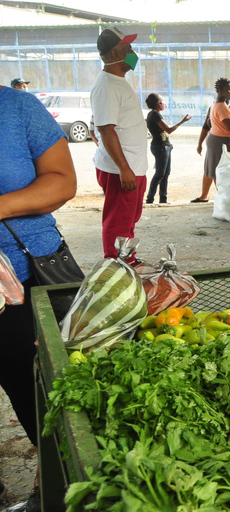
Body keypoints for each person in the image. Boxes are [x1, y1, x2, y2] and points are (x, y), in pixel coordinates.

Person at [0, 85, 77, 447]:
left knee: (40, 395)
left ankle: (51, 482)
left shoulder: (16, 107)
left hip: (26, 276)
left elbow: (62, 182)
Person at [91, 26, 149, 261]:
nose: (134, 53)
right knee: (118, 223)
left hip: (132, 166)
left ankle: (127, 260)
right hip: (121, 169)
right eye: (129, 49)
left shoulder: (117, 82)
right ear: (115, 54)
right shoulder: (106, 85)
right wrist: (124, 168)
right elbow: (106, 130)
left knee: (128, 220)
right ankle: (115, 266)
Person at [195, 77, 230, 203]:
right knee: (220, 170)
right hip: (220, 142)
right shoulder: (221, 107)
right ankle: (224, 199)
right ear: (220, 91)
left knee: (220, 169)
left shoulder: (220, 105)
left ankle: (223, 198)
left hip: (220, 140)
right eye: (227, 90)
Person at [144, 93, 191, 204]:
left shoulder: (153, 114)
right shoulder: (155, 115)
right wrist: (182, 122)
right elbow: (168, 129)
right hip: (161, 147)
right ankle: (150, 198)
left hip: (164, 146)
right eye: (163, 102)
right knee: (160, 174)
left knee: (165, 173)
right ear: (158, 103)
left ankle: (163, 198)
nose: (164, 104)